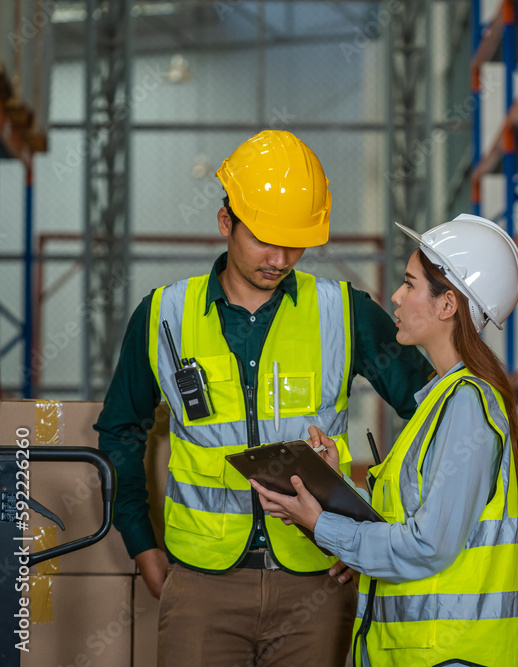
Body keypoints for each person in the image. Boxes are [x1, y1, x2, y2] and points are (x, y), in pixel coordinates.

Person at [94, 129, 434, 667]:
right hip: (202, 582)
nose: (279, 258)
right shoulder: (163, 317)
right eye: (265, 238)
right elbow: (119, 430)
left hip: (317, 579)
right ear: (226, 222)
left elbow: (433, 412)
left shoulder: (343, 313)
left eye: (294, 243)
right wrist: (140, 543)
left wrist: (373, 533)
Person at [253, 213, 518, 667]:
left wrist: (323, 525)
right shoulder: (440, 402)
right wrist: (333, 481)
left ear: (447, 306)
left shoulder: (467, 406)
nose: (396, 298)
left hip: (446, 655)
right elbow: (410, 519)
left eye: (410, 284)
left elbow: (428, 545)